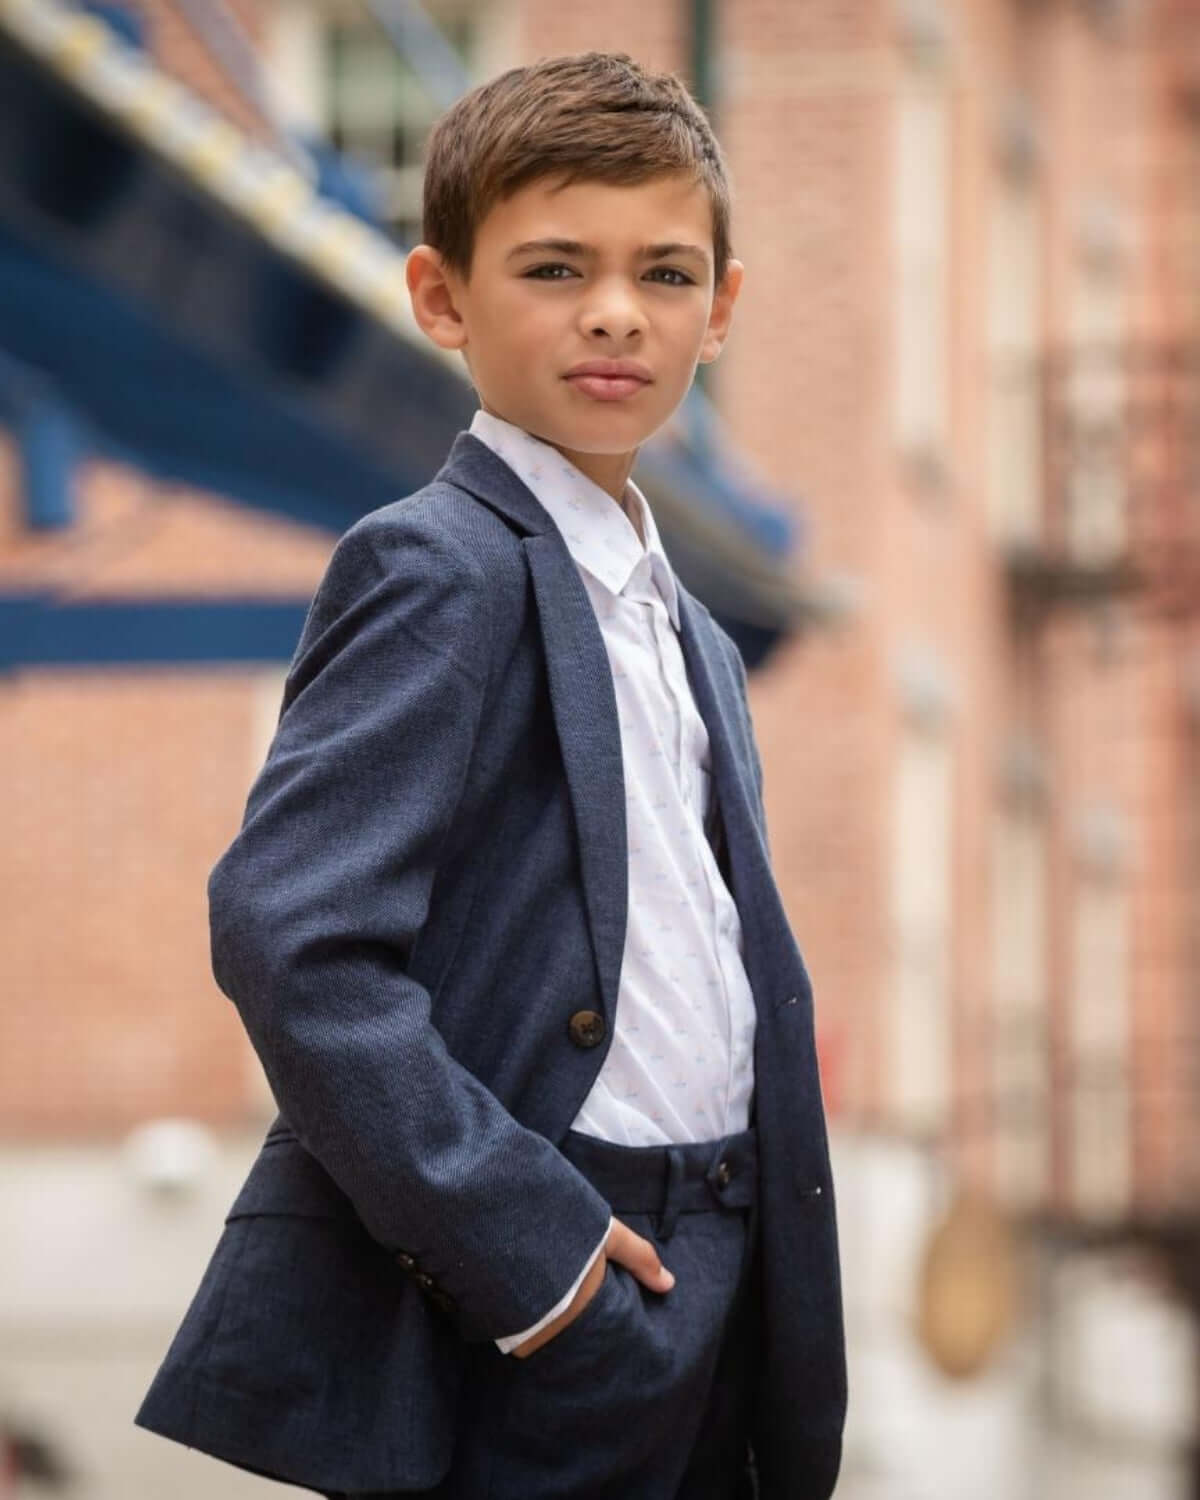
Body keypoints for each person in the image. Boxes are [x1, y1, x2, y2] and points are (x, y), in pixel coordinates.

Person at [134, 50, 847, 1500]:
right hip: (552, 1275)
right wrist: (533, 1248)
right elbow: (291, 936)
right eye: (555, 268)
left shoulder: (697, 634)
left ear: (720, 310)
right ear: (442, 297)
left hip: (727, 1269)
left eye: (663, 273)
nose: (614, 311)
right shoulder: (434, 565)